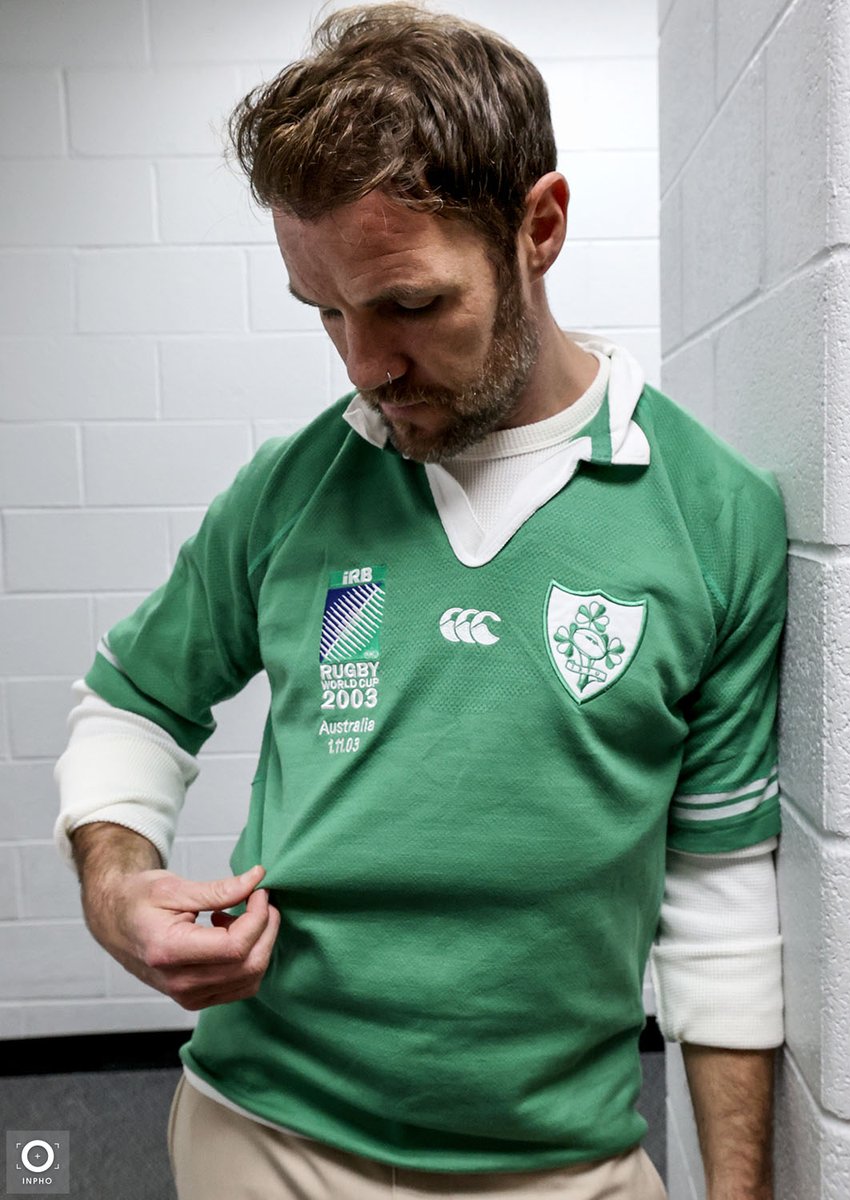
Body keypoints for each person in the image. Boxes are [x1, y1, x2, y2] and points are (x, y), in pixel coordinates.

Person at [54, 6, 787, 1199]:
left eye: (405, 305)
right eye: (325, 312)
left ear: (537, 227)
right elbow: (132, 698)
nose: (362, 364)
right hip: (266, 1133)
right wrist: (116, 887)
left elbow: (717, 893)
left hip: (569, 1159)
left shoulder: (714, 516)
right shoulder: (294, 489)